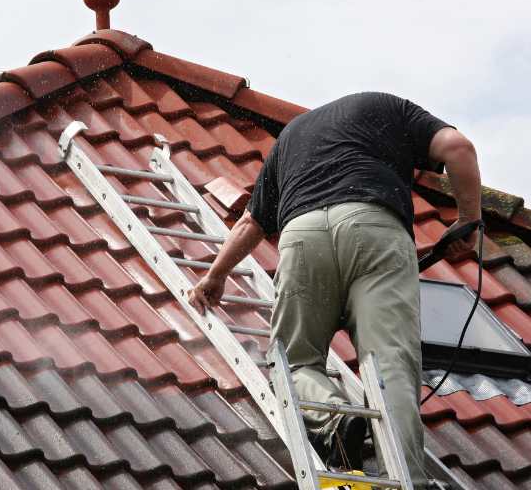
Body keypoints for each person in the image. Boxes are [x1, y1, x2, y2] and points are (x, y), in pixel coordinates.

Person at [189, 92, 481, 490]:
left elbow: (251, 223)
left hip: (302, 235)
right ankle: (407, 479)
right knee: (390, 362)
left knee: (294, 362)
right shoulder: (388, 108)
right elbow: (458, 148)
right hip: (375, 226)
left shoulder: (290, 136)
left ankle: (334, 415)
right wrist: (468, 219)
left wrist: (215, 275)